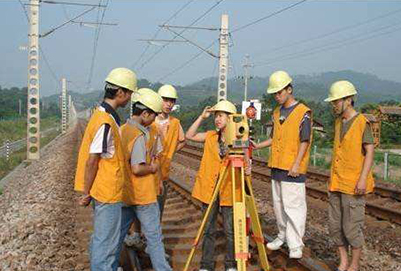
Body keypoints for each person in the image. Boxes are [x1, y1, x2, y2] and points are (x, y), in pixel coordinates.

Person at [74, 67, 136, 271]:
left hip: (106, 189)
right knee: (106, 242)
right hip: (107, 192)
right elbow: (92, 160)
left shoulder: (102, 116)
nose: (130, 98)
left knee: (103, 238)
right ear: (120, 93)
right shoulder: (105, 122)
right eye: (129, 93)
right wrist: (86, 192)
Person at [252, 70, 312, 258]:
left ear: (289, 89)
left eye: (280, 92)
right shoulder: (277, 112)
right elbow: (274, 138)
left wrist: (296, 164)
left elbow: (305, 140)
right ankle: (282, 235)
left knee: (293, 207)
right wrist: (257, 146)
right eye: (275, 93)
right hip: (277, 166)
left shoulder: (303, 112)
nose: (277, 96)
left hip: (292, 168)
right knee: (278, 205)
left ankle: (295, 245)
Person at [119, 88, 172, 271]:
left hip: (126, 194)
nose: (154, 119)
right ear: (145, 113)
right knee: (154, 238)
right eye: (153, 115)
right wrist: (153, 168)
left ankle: (111, 265)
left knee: (117, 236)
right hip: (143, 195)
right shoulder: (138, 135)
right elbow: (137, 168)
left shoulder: (122, 130)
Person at [325, 80, 375, 271]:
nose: (334, 105)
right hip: (337, 182)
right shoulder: (339, 122)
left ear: (349, 99)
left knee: (352, 228)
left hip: (354, 184)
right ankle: (343, 260)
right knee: (335, 226)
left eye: (336, 101)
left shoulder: (362, 122)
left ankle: (354, 264)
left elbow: (369, 152)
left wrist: (363, 178)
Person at [186, 100, 240, 271]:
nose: (217, 119)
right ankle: (206, 265)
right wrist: (202, 117)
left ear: (230, 119)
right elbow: (189, 136)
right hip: (209, 188)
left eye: (221, 116)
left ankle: (231, 265)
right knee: (208, 229)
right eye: (216, 116)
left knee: (230, 230)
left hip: (228, 188)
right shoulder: (210, 136)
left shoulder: (238, 139)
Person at [155, 84, 186, 217]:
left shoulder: (175, 122)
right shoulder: (150, 120)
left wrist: (171, 152)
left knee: (159, 207)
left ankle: (153, 235)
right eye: (165, 100)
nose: (169, 104)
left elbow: (182, 141)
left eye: (172, 101)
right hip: (148, 171)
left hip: (164, 171)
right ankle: (139, 234)